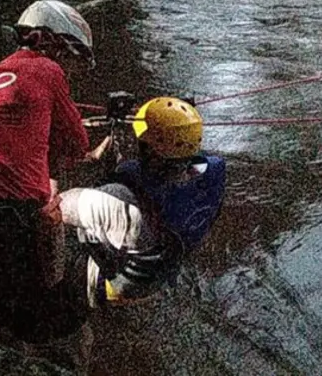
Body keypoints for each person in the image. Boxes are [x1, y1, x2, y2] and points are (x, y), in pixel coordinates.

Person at [0, 0, 111, 347]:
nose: (70, 70)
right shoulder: (46, 71)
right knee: (69, 331)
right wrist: (94, 152)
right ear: (52, 43)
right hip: (6, 228)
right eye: (71, 57)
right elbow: (76, 145)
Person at [58, 97, 227, 309]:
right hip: (164, 270)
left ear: (147, 150)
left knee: (69, 234)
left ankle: (87, 299)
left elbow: (57, 207)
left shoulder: (118, 197)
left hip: (124, 286)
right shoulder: (215, 171)